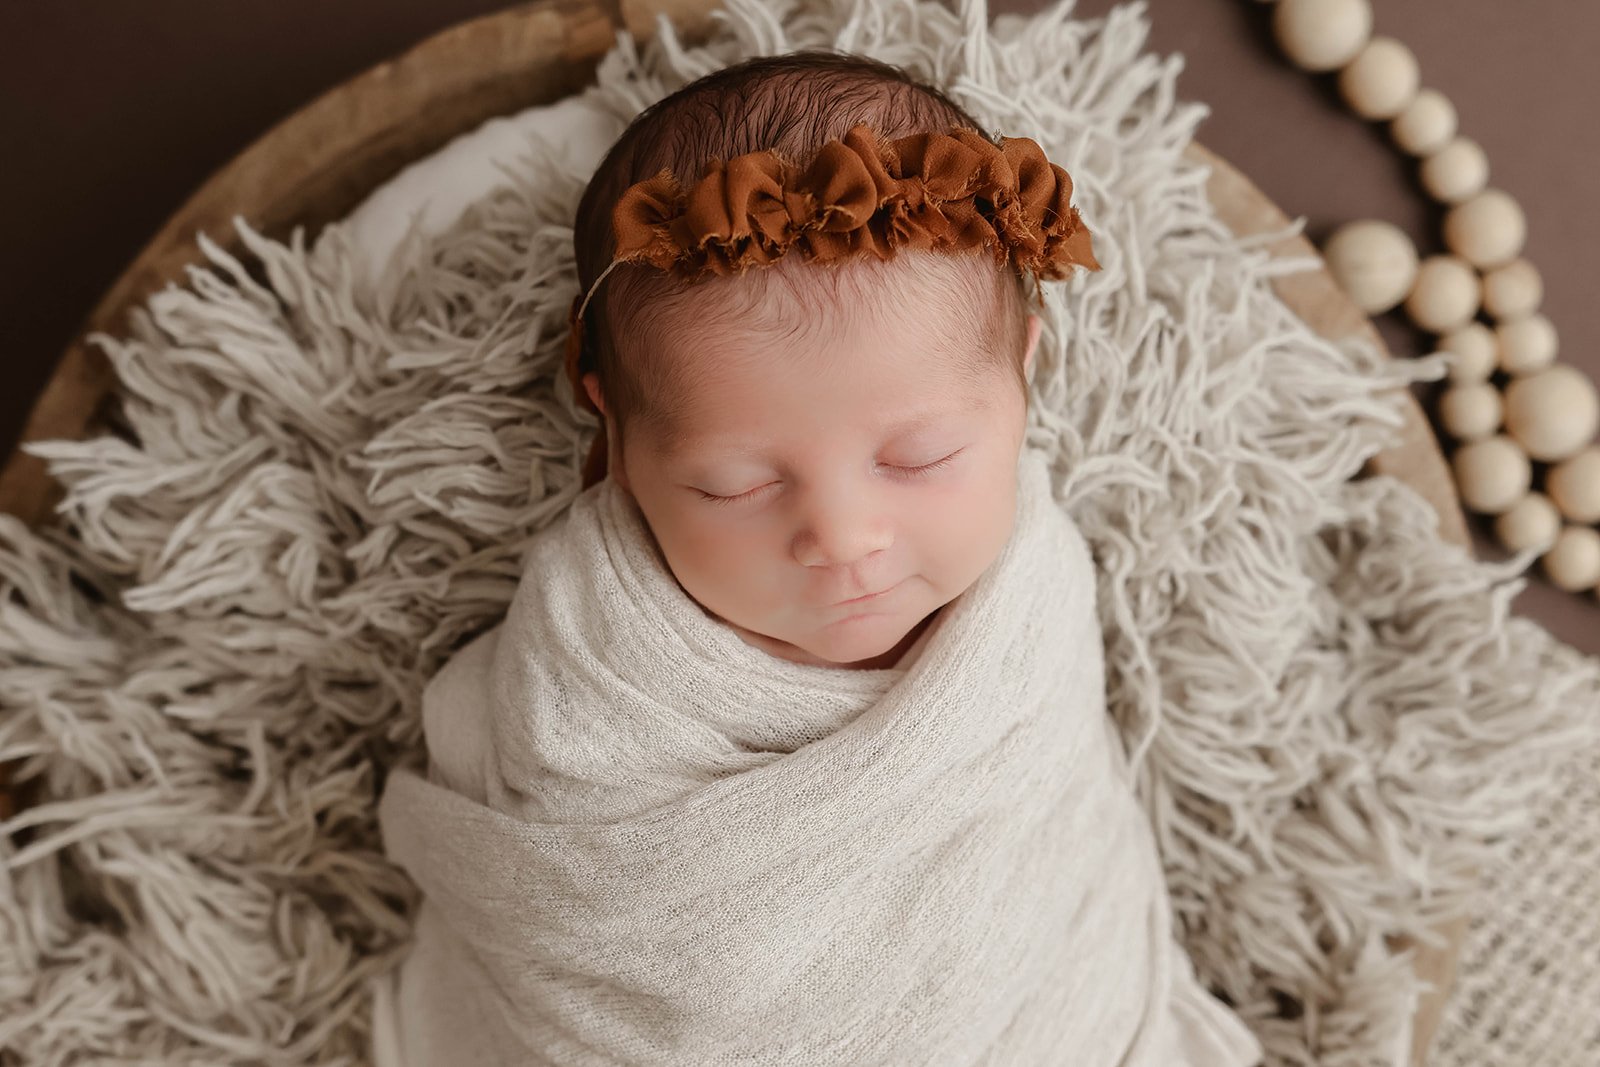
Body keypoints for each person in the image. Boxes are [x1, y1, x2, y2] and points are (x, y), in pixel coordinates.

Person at [371, 48, 1264, 1067]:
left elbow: (1054, 850)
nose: (841, 537)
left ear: (1023, 374)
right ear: (612, 430)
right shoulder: (596, 653)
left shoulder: (1031, 593)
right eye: (735, 485)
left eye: (919, 457)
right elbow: (573, 902)